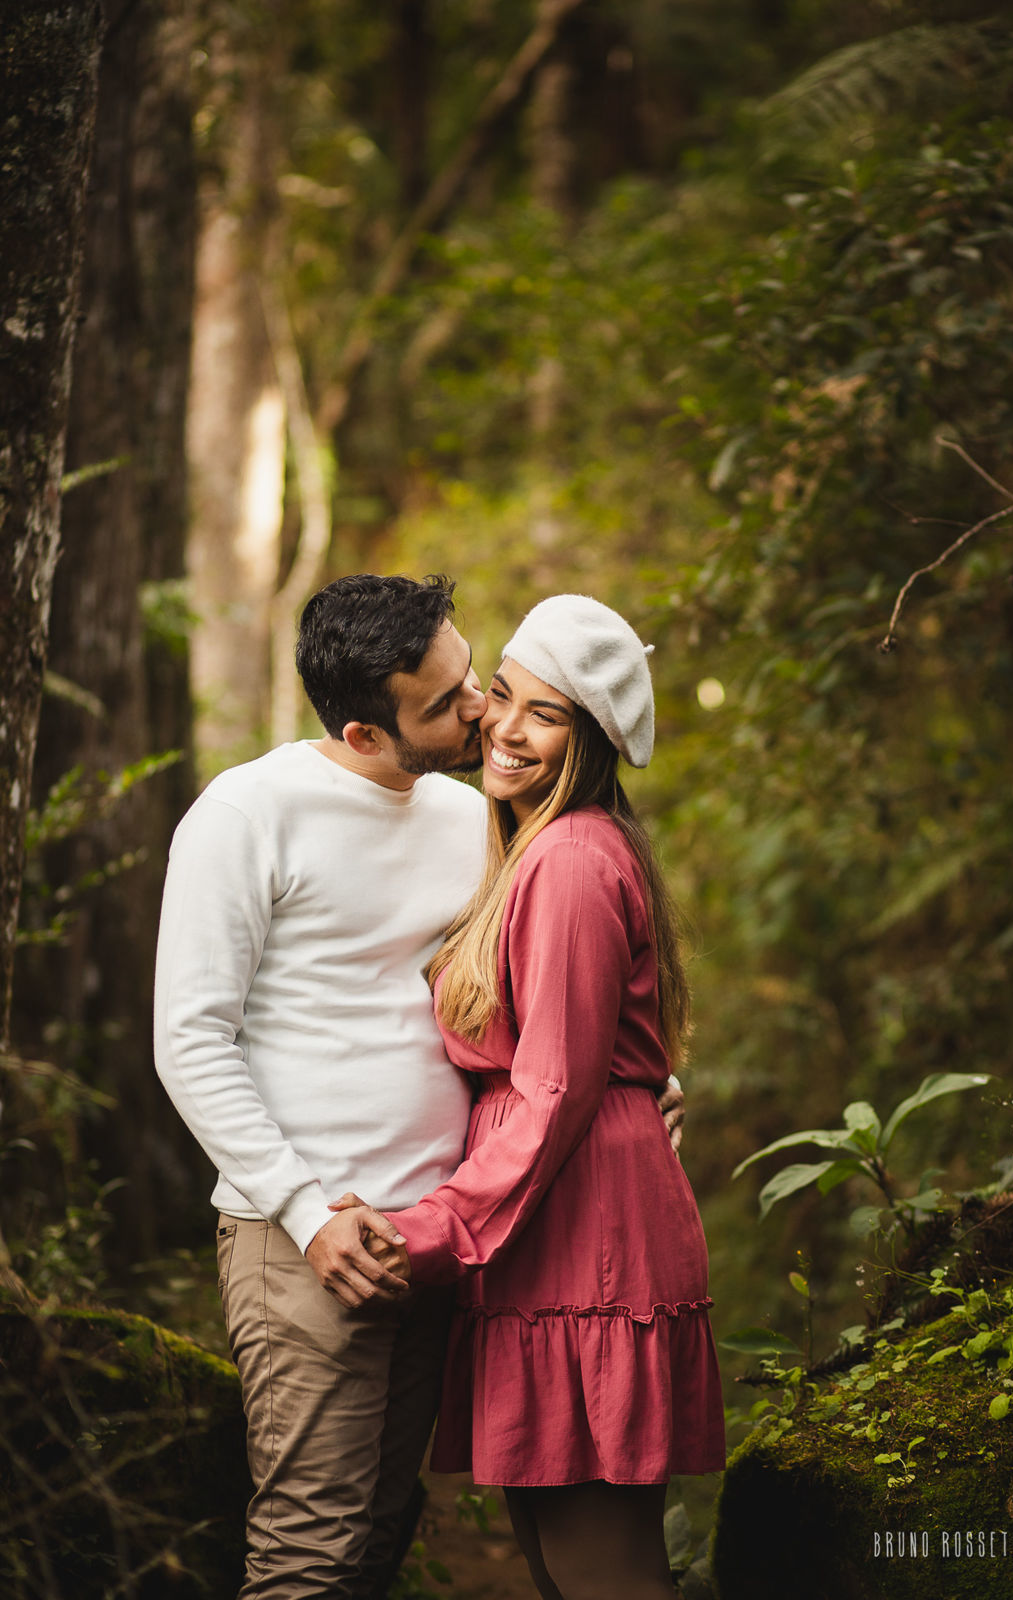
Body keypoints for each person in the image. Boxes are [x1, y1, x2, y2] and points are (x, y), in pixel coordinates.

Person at [154, 574, 685, 1599]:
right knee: (311, 1545)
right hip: (315, 1241)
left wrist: (637, 1083)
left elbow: (559, 988)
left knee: (385, 1529)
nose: (481, 709)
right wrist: (309, 1216)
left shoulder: (480, 816)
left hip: (457, 1243)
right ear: (362, 731)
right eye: (445, 704)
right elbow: (189, 1040)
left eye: (474, 675)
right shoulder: (247, 815)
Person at [336, 595, 725, 1600]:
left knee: (605, 1574)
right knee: (564, 1565)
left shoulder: (566, 861)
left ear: (588, 741)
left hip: (579, 1235)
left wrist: (427, 1231)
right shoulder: (540, 852)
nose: (506, 726)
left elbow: (553, 1092)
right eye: (502, 694)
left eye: (545, 714)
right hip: (550, 1234)